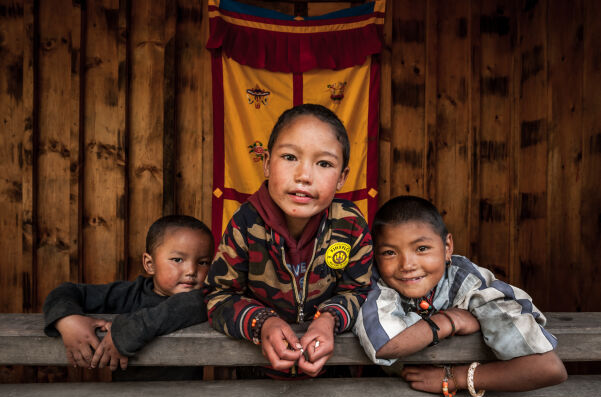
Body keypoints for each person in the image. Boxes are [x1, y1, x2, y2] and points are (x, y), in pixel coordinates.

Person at [205, 104, 373, 377]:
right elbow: (218, 295)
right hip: (256, 375)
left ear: (342, 177)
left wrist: (328, 319)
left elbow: (358, 292)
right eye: (290, 157)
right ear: (268, 164)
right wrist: (263, 323)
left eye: (324, 163)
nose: (304, 176)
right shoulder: (246, 223)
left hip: (330, 374)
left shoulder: (350, 225)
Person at [353, 195, 567, 397]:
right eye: (390, 252)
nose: (407, 265)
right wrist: (449, 321)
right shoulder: (373, 282)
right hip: (384, 391)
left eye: (422, 248)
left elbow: (548, 368)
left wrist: (457, 377)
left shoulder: (470, 283)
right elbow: (385, 345)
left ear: (447, 248)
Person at [43, 215, 213, 371]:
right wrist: (67, 320)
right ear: (149, 264)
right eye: (178, 260)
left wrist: (126, 332)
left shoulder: (209, 298)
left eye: (203, 262)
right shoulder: (129, 294)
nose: (191, 270)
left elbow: (194, 303)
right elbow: (65, 292)